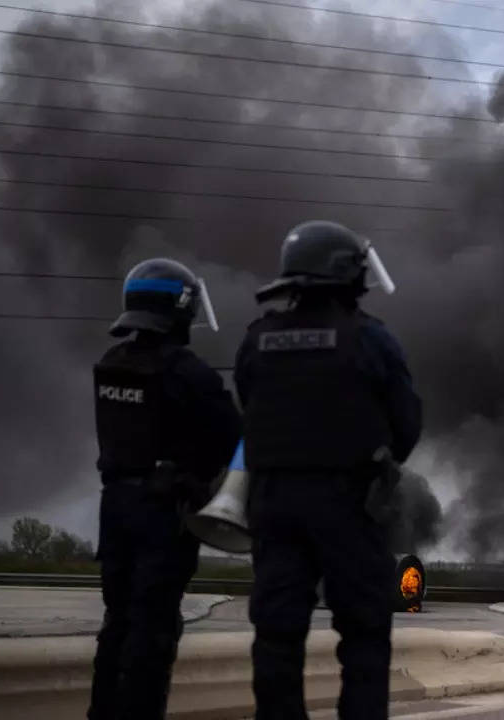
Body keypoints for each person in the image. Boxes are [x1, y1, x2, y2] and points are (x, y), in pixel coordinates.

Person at [236, 220, 422, 719]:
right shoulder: (371, 339)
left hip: (274, 505)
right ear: (346, 274)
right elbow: (406, 424)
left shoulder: (258, 340)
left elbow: (249, 404)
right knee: (363, 635)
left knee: (276, 636)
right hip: (348, 504)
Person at [89, 258, 241, 719]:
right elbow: (231, 434)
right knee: (152, 631)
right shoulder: (188, 371)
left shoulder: (111, 363)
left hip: (114, 507)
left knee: (117, 622)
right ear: (180, 308)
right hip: (162, 513)